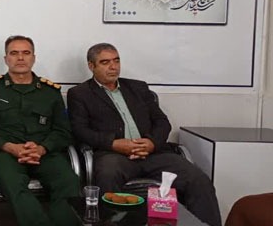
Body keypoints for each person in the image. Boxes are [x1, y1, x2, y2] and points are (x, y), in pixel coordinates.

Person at [67, 43, 222, 226]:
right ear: (91, 66)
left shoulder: (138, 88)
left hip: (153, 153)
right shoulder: (80, 93)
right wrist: (114, 143)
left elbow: (162, 122)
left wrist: (151, 143)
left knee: (197, 180)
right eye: (105, 62)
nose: (113, 67)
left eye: (116, 61)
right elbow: (80, 130)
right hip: (113, 155)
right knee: (107, 176)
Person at [0, 35, 80, 226]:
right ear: (6, 59)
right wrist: (9, 147)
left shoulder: (50, 92)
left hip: (44, 153)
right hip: (4, 153)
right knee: (14, 184)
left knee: (68, 182)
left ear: (33, 58)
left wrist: (42, 149)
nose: (20, 58)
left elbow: (63, 131)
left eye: (26, 53)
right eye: (14, 53)